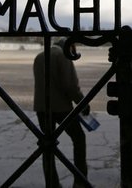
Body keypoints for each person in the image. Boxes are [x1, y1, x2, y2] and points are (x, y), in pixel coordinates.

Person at [33, 38, 89, 188]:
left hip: (41, 108)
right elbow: (69, 85)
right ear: (69, 47)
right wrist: (82, 102)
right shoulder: (63, 55)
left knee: (47, 146)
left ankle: (52, 183)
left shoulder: (40, 56)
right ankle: (80, 180)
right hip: (61, 108)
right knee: (79, 138)